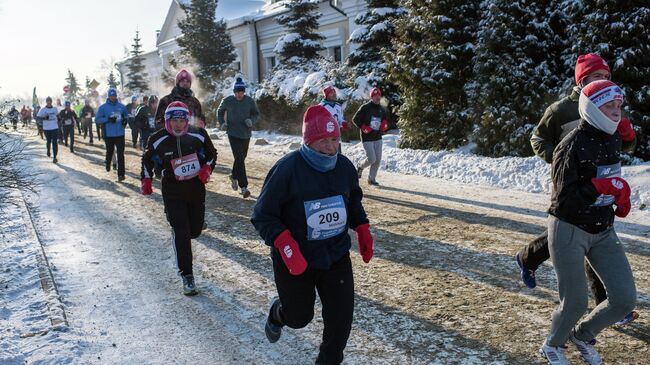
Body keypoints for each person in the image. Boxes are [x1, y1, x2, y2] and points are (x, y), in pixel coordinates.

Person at [516, 53, 638, 325]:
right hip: (571, 181)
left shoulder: (609, 103)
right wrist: (559, 157)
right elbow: (538, 138)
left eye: (607, 77)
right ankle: (607, 303)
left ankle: (609, 304)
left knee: (590, 237)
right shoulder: (561, 110)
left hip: (602, 184)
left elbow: (620, 144)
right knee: (571, 233)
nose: (604, 81)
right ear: (582, 79)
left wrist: (629, 138)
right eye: (597, 77)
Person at [251, 105, 374, 365]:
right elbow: (262, 215)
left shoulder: (344, 166)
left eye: (334, 139)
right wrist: (285, 244)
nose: (331, 147)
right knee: (298, 318)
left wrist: (361, 226)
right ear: (308, 140)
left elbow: (352, 200)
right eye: (323, 141)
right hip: (297, 259)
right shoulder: (287, 169)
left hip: (336, 256)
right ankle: (277, 313)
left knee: (340, 326)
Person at [538, 80, 636, 365]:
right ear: (592, 108)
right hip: (569, 228)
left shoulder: (613, 136)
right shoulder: (569, 146)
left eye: (618, 105)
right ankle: (552, 345)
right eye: (609, 106)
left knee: (624, 299)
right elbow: (563, 200)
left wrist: (620, 194)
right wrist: (601, 187)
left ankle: (582, 335)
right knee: (576, 302)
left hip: (603, 230)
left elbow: (610, 177)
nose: (617, 111)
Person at [140, 101, 217, 295]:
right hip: (172, 190)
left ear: (186, 120)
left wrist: (207, 168)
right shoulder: (157, 139)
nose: (178, 124)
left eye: (181, 120)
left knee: (195, 230)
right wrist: (146, 179)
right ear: (167, 121)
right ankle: (187, 275)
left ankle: (187, 229)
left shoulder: (198, 134)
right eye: (173, 120)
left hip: (195, 188)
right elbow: (146, 160)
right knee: (181, 231)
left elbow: (212, 154)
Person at [217, 77, 260, 198]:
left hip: (246, 134)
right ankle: (244, 187)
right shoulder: (228, 100)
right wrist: (222, 123)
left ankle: (234, 176)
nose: (239, 94)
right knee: (240, 159)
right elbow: (219, 112)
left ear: (244, 91)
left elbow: (256, 113)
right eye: (236, 92)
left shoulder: (249, 101)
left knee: (242, 157)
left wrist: (251, 120)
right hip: (233, 133)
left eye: (241, 92)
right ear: (234, 92)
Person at [352, 87, 389, 185]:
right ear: (371, 97)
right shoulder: (365, 107)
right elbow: (355, 119)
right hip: (367, 137)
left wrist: (384, 124)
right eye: (375, 95)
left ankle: (371, 179)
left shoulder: (381, 108)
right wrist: (363, 127)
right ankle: (360, 166)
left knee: (378, 159)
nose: (377, 97)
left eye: (379, 95)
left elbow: (384, 120)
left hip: (377, 137)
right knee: (372, 159)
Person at [95, 88, 129, 181]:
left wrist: (125, 120)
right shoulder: (103, 108)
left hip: (120, 133)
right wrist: (108, 119)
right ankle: (107, 162)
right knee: (110, 151)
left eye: (114, 96)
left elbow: (126, 115)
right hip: (109, 134)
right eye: (111, 96)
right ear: (108, 96)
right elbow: (97, 120)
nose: (113, 97)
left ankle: (121, 174)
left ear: (116, 96)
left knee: (120, 154)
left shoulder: (121, 106)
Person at [320, 86, 349, 152]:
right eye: (331, 93)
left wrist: (343, 123)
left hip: (336, 134)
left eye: (334, 92)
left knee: (338, 155)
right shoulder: (321, 106)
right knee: (327, 154)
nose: (334, 94)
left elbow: (340, 119)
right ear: (326, 95)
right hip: (325, 136)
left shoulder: (338, 106)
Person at [36, 97, 60, 163]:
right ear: (46, 102)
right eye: (48, 101)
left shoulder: (55, 109)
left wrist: (59, 119)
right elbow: (38, 118)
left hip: (55, 127)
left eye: (50, 101)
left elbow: (58, 116)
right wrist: (44, 118)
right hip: (47, 128)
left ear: (51, 102)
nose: (49, 102)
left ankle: (55, 157)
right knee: (48, 141)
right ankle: (48, 150)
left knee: (55, 142)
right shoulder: (43, 110)